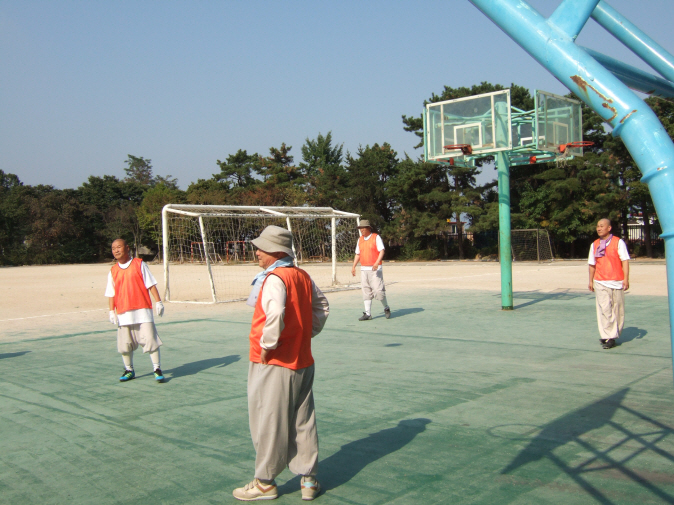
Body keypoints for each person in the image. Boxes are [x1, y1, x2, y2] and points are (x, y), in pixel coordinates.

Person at [233, 225, 330, 502]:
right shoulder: (302, 275)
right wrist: (306, 333)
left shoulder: (275, 278)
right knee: (303, 419)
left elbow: (275, 312)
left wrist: (268, 345)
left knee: (268, 420)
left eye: (261, 248)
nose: (257, 252)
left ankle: (265, 482)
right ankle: (308, 479)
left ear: (275, 251)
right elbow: (322, 306)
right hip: (302, 360)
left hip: (275, 362)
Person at [105, 239, 166, 382]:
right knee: (125, 345)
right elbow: (111, 293)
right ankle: (129, 370)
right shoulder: (113, 271)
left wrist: (158, 302)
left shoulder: (139, 264)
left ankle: (157, 368)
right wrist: (111, 311)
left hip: (142, 311)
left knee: (150, 340)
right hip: (123, 313)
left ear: (127, 248)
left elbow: (150, 284)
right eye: (113, 248)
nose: (116, 250)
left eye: (119, 247)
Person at [588, 218, 630, 349]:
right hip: (600, 281)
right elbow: (592, 264)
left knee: (617, 310)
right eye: (597, 226)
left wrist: (626, 279)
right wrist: (590, 280)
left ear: (609, 228)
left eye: (602, 226)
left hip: (616, 281)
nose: (599, 228)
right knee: (604, 309)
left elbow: (625, 260)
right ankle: (608, 336)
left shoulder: (618, 242)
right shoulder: (594, 244)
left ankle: (613, 334)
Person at [351, 220, 391, 320]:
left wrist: (377, 262)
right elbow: (358, 254)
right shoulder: (360, 239)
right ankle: (368, 314)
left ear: (369, 228)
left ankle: (386, 307)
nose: (362, 230)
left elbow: (381, 251)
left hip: (375, 269)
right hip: (364, 269)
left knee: (378, 290)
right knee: (366, 290)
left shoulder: (376, 237)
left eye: (363, 228)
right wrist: (353, 266)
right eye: (360, 228)